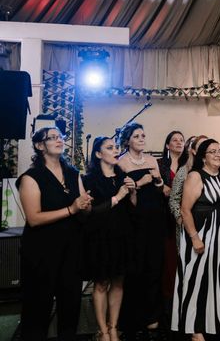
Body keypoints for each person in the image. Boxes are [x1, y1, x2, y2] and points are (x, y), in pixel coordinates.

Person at [17, 127, 93, 341]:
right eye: (52, 138)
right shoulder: (31, 177)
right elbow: (34, 218)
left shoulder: (73, 173)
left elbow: (83, 211)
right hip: (41, 251)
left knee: (70, 307)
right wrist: (71, 209)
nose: (59, 140)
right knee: (37, 309)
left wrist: (85, 206)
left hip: (71, 250)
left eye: (60, 136)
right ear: (40, 146)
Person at [172, 139, 220, 339]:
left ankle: (215, 320)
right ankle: (195, 329)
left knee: (217, 279)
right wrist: (195, 238)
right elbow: (185, 210)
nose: (219, 154)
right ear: (203, 157)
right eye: (213, 151)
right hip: (202, 234)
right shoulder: (195, 176)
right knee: (197, 280)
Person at [82, 137, 136, 341]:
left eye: (116, 147)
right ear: (98, 154)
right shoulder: (89, 180)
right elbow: (90, 214)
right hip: (100, 237)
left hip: (122, 235)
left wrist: (131, 193)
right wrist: (118, 197)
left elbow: (132, 208)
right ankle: (102, 330)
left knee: (119, 282)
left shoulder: (122, 176)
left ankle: (114, 326)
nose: (116, 150)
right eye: (110, 148)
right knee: (101, 283)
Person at [116, 123, 165, 333]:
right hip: (135, 219)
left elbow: (160, 186)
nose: (142, 139)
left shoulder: (153, 159)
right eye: (137, 136)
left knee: (155, 265)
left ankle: (153, 314)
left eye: (143, 135)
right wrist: (143, 181)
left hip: (156, 216)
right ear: (128, 140)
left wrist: (158, 181)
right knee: (137, 266)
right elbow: (126, 193)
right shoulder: (122, 162)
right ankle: (133, 316)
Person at [157, 131, 187, 310]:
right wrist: (161, 187)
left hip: (184, 216)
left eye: (181, 140)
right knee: (168, 261)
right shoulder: (159, 164)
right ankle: (168, 303)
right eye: (174, 140)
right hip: (164, 217)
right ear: (167, 145)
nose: (178, 142)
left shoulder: (188, 165)